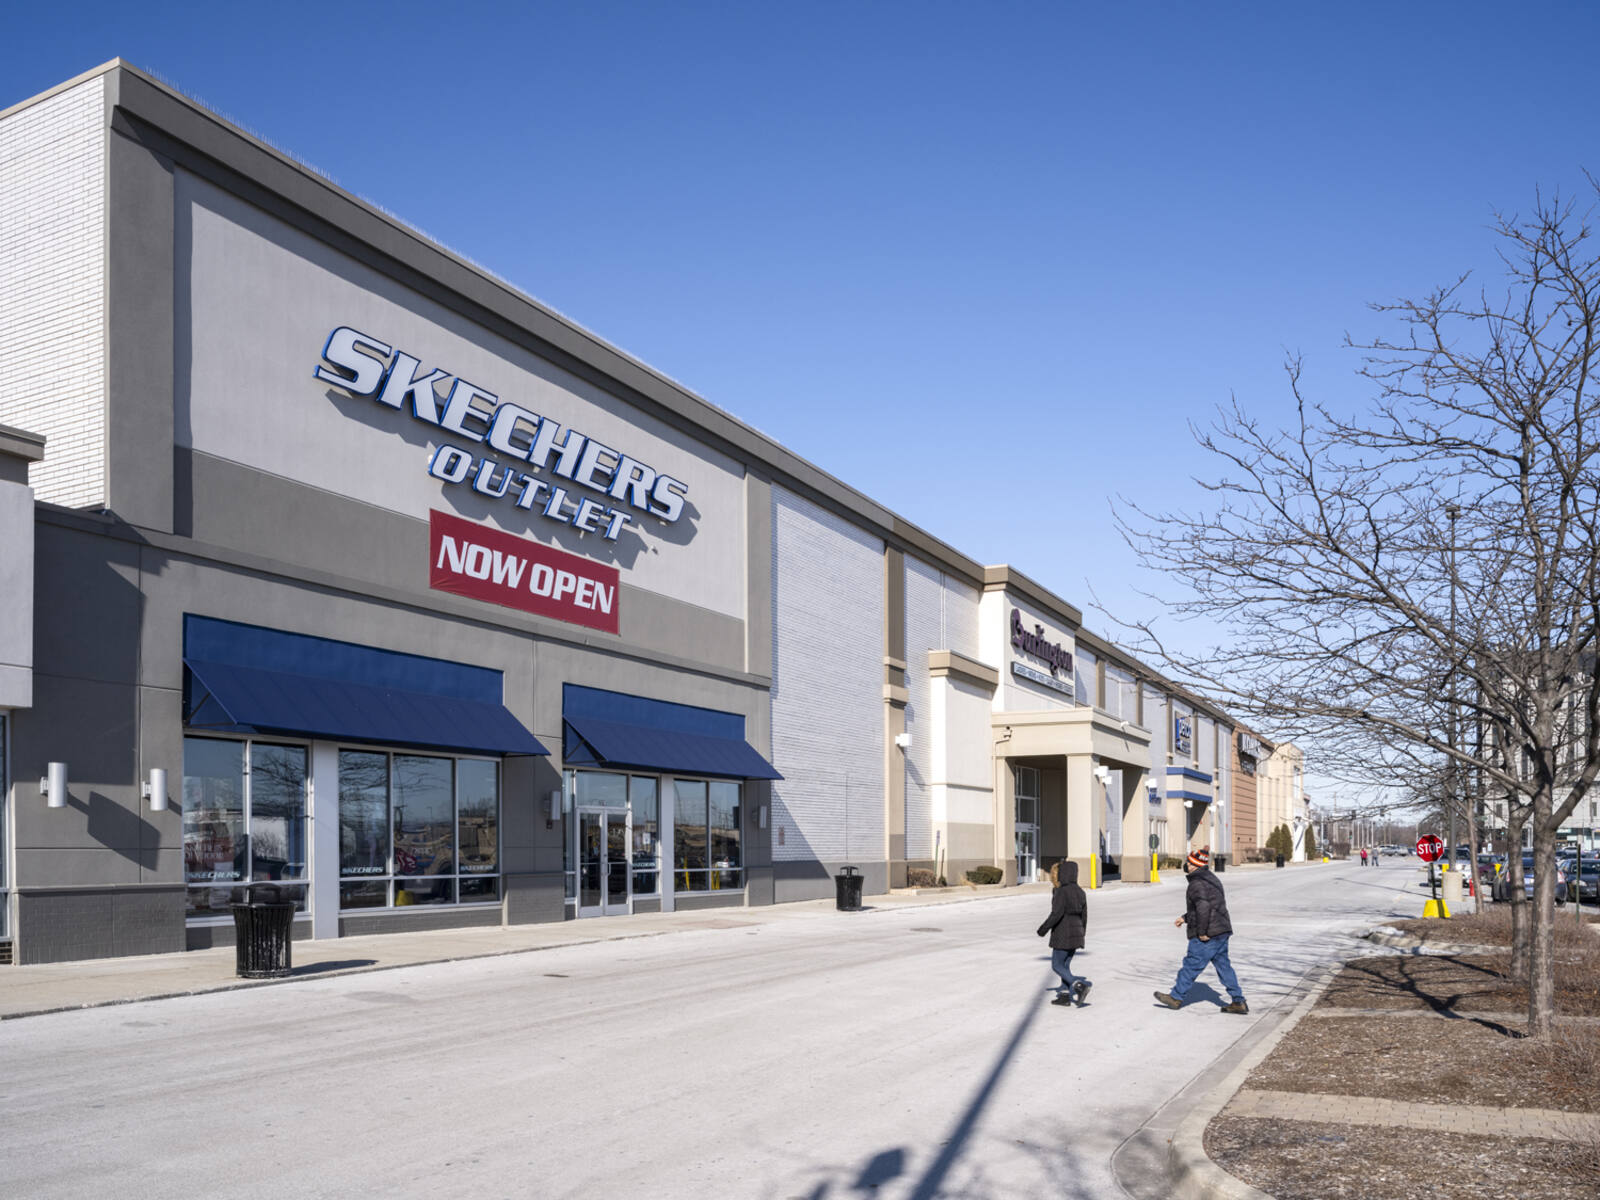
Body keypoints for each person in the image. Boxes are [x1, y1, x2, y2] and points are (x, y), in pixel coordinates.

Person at [1154, 847, 1248, 1014]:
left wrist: (1203, 932)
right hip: (1222, 930)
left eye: (1188, 862)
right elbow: (1207, 906)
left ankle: (1175, 998)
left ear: (1194, 865)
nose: (1186, 865)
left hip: (1209, 933)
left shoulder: (1197, 883)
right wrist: (1185, 918)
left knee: (1191, 965)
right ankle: (1238, 1001)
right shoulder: (1211, 878)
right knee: (1224, 967)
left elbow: (1203, 908)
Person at [1036, 860, 1090, 1006]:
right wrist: (1081, 935)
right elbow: (1084, 916)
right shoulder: (1080, 892)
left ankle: (1079, 986)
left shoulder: (1062, 891)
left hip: (1063, 933)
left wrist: (1043, 929)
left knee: (1056, 965)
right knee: (1065, 966)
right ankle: (1065, 997)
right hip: (1076, 933)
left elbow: (1056, 914)